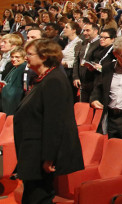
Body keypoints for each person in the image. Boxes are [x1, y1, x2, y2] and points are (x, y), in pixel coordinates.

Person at [16, 39, 83, 203]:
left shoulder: (53, 80)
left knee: (39, 197)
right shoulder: (42, 79)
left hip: (40, 154)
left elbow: (55, 122)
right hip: (33, 151)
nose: (26, 58)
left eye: (30, 54)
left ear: (44, 56)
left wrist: (49, 157)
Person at [73, 23, 100, 102]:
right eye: (84, 30)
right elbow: (77, 60)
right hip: (82, 82)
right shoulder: (83, 43)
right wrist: (76, 77)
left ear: (95, 31)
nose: (84, 33)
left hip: (94, 83)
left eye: (87, 30)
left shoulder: (100, 44)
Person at [2, 47, 26, 115]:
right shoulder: (15, 67)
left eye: (17, 57)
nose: (14, 59)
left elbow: (15, 89)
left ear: (24, 57)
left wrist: (4, 87)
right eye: (12, 57)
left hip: (14, 103)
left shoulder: (22, 68)